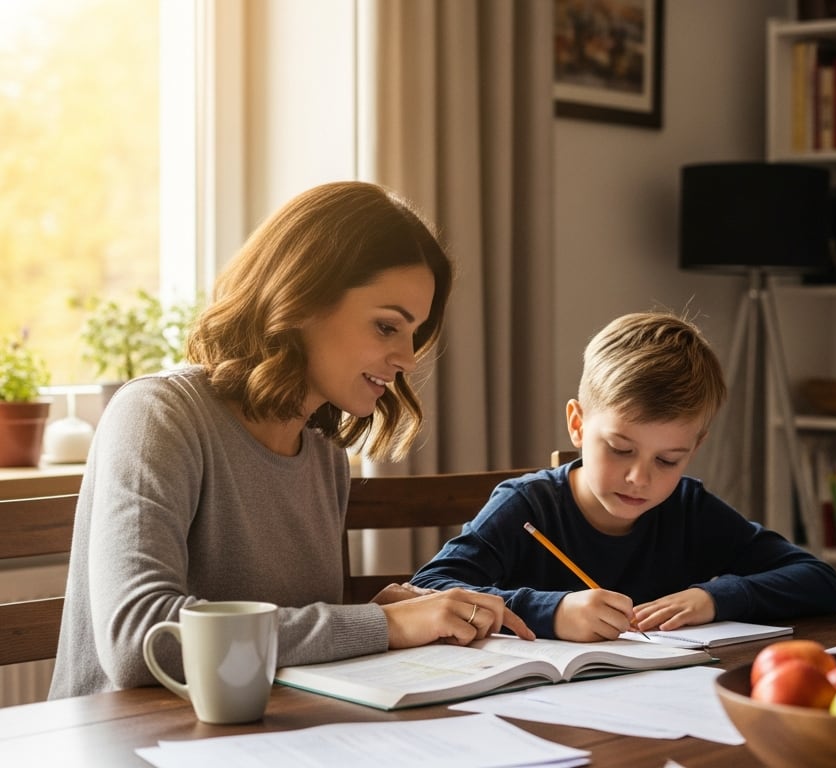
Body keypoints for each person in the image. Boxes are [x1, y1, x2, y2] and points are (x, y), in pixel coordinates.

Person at [51, 181, 531, 699]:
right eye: (387, 326)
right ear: (303, 299)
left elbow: (295, 633)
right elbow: (140, 639)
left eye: (413, 333)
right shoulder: (157, 416)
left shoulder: (324, 454)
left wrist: (375, 616)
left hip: (262, 738)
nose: (409, 359)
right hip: (128, 742)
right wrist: (382, 627)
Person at [411, 311, 836, 641]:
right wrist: (553, 611)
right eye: (620, 449)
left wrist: (713, 598)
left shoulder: (687, 510)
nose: (640, 478)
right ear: (578, 425)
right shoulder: (527, 506)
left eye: (668, 460)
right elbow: (426, 589)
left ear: (695, 448)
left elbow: (819, 581)